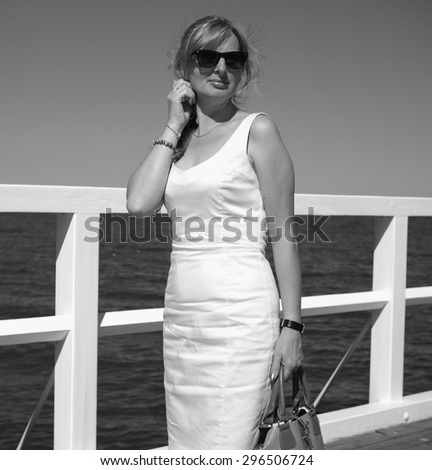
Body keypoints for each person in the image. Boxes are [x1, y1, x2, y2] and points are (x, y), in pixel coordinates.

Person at [126, 15, 303, 450]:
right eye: (208, 57)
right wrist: (172, 123)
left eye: (234, 59)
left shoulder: (256, 130)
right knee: (188, 444)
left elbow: (283, 233)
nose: (222, 68)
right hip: (185, 317)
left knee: (231, 443)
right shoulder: (178, 143)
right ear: (185, 67)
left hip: (240, 315)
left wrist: (293, 326)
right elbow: (138, 204)